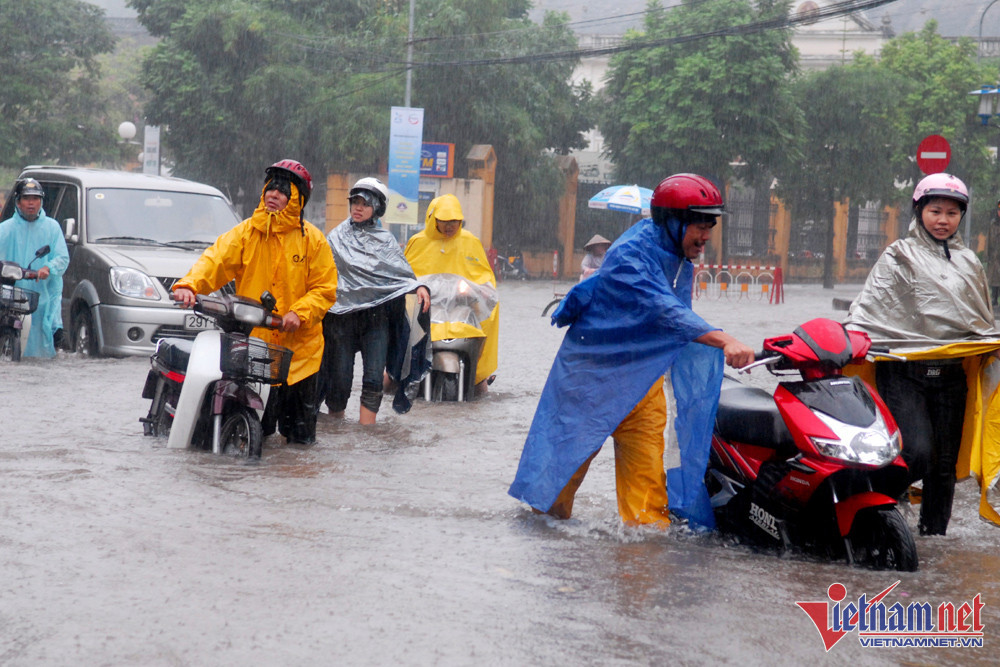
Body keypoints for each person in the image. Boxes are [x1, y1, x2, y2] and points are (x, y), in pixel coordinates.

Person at [508, 173, 755, 528]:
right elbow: (665, 312)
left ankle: (640, 575)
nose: (705, 238)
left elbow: (673, 319)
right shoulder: (629, 256)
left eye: (709, 227)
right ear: (672, 222)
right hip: (590, 385)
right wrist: (724, 339)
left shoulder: (679, 258)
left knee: (648, 518)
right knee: (551, 502)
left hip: (642, 384)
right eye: (699, 226)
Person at [845, 173, 1000, 536]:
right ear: (919, 211)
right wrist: (850, 338)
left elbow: (980, 322)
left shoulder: (969, 263)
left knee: (943, 467)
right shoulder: (897, 256)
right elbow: (868, 309)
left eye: (951, 213)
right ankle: (870, 509)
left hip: (951, 377)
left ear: (961, 216)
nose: (943, 220)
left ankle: (933, 538)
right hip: (903, 373)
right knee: (916, 452)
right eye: (935, 211)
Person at [172, 160, 338, 445]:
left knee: (300, 444)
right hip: (256, 349)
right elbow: (216, 260)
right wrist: (189, 284)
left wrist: (300, 312)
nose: (273, 194)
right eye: (270, 188)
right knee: (256, 431)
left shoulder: (314, 241)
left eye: (282, 190)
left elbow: (325, 288)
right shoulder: (246, 233)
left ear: (297, 198)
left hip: (301, 355)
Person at [318, 177, 431, 425]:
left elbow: (401, 276)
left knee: (372, 379)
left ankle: (366, 436)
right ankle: (334, 427)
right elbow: (320, 274)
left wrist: (419, 286)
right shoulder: (335, 237)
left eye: (365, 204)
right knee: (340, 379)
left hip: (375, 320)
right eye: (355, 202)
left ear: (377, 208)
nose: (358, 208)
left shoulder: (386, 241)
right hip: (341, 321)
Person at [404, 193, 498, 393]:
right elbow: (404, 279)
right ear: (433, 220)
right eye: (444, 221)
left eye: (454, 221)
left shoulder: (470, 242)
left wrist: (475, 291)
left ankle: (479, 371)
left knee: (481, 389)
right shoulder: (417, 243)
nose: (450, 226)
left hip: (462, 313)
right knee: (389, 382)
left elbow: (485, 280)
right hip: (425, 313)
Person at [0, 178, 70, 358]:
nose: (31, 203)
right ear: (18, 202)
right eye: (26, 198)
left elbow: (62, 257)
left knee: (44, 339)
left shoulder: (52, 228)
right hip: (9, 293)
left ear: (41, 202)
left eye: (35, 199)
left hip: (42, 294)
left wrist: (48, 267)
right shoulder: (5, 229)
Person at [987, 198, 1000, 308]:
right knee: (994, 279)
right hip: (995, 256)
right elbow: (989, 240)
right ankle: (994, 299)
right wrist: (988, 255)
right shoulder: (993, 224)